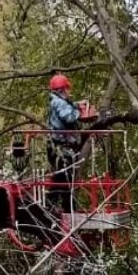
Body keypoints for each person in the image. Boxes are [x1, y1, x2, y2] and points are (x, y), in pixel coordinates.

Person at [46, 73, 82, 209]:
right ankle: (51, 206)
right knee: (63, 178)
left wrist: (77, 105)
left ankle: (66, 208)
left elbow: (68, 107)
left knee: (64, 179)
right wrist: (80, 113)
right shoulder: (58, 102)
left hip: (61, 147)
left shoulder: (57, 101)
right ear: (62, 90)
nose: (69, 92)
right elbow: (68, 117)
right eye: (68, 89)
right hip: (61, 148)